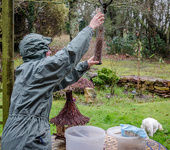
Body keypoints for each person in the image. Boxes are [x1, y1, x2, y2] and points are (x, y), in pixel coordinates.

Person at [1, 12, 105, 150]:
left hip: (15, 136)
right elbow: (68, 55)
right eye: (47, 49)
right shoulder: (37, 69)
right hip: (28, 138)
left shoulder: (28, 71)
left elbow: (60, 82)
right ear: (39, 51)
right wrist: (90, 28)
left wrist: (85, 65)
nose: (50, 52)